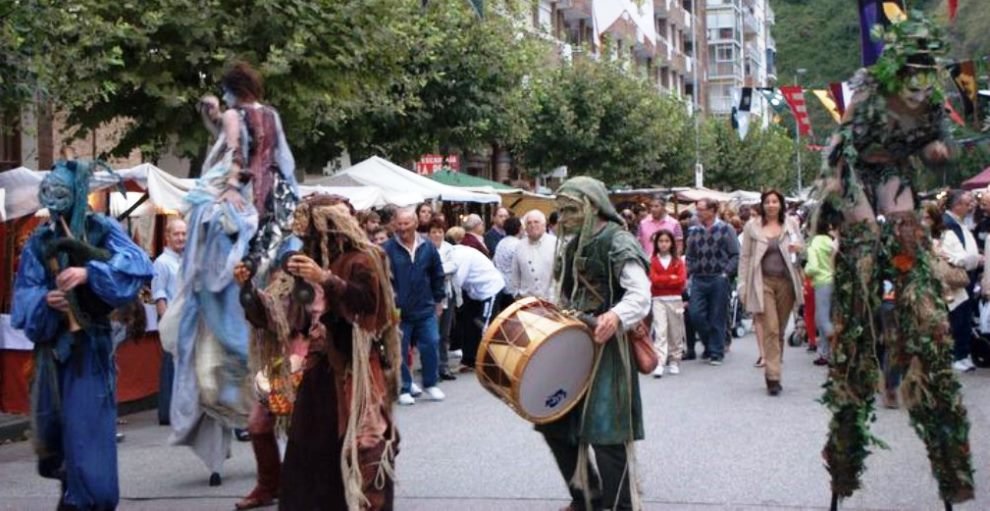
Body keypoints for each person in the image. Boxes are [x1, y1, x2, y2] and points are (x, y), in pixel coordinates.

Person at [816, 12, 973, 505]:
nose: (919, 79)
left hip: (894, 178)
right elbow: (842, 146)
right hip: (854, 170)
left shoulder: (930, 107)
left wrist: (938, 153)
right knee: (861, 268)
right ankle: (845, 446)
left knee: (911, 259)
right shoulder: (868, 93)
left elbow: (935, 149)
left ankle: (949, 462)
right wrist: (844, 201)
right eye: (912, 67)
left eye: (926, 68)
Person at [165, 61, 300, 489]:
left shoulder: (234, 115)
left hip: (237, 217)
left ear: (232, 90)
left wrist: (230, 185)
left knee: (216, 314)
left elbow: (237, 152)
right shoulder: (273, 115)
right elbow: (277, 164)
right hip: (270, 219)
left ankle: (235, 408)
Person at [235, 195, 401, 510]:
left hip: (357, 368)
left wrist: (325, 278)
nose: (311, 239)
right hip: (316, 369)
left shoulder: (364, 259)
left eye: (316, 232)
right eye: (309, 233)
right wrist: (247, 292)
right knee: (308, 451)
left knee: (367, 445)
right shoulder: (300, 263)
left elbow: (370, 307)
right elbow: (277, 317)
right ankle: (276, 488)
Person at [12, 160, 154, 510]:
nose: (54, 201)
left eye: (61, 192)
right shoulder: (39, 240)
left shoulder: (101, 228)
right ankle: (72, 493)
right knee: (56, 441)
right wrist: (46, 300)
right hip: (52, 354)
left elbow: (139, 264)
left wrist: (89, 272)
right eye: (50, 193)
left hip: (89, 354)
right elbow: (24, 295)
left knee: (87, 440)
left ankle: (85, 501)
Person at [538, 177, 651, 511]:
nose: (565, 217)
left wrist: (615, 317)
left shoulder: (618, 240)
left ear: (593, 206)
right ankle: (587, 497)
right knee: (552, 420)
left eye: (572, 209)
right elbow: (564, 293)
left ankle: (621, 506)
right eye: (562, 210)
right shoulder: (572, 244)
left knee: (607, 434)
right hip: (573, 345)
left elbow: (640, 293)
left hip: (608, 350)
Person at [738, 190, 805, 395]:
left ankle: (774, 367)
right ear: (762, 205)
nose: (771, 205)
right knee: (771, 328)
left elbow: (802, 247)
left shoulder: (791, 224)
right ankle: (773, 376)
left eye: (775, 201)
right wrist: (742, 284)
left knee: (780, 330)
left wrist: (798, 249)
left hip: (786, 281)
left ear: (781, 205)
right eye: (767, 201)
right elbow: (746, 257)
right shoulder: (752, 227)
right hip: (762, 281)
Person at [383, 208, 446, 405]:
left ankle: (430, 383)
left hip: (425, 306)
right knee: (400, 350)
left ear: (415, 224)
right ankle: (404, 387)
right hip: (398, 309)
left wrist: (439, 301)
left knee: (432, 342)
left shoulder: (428, 246)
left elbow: (437, 275)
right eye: (399, 224)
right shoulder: (387, 249)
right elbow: (384, 280)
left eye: (406, 224)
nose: (402, 228)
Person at [684, 198, 739, 366]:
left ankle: (716, 352)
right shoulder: (694, 231)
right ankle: (711, 343)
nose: (697, 213)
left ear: (712, 210)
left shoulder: (726, 229)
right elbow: (690, 255)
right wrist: (690, 269)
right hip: (699, 278)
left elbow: (735, 254)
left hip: (718, 278)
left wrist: (726, 273)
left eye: (701, 209)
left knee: (717, 315)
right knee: (695, 314)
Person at [446, 230, 505, 373]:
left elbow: (457, 281)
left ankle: (492, 362)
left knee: (484, 325)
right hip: (474, 292)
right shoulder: (452, 255)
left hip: (490, 289)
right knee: (468, 324)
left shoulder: (460, 255)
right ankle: (469, 359)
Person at [940, 190, 981, 372]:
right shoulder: (947, 225)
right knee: (957, 317)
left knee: (964, 317)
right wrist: (968, 259)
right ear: (957, 206)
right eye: (966, 203)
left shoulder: (958, 223)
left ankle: (962, 354)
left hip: (967, 277)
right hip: (956, 279)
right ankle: (956, 355)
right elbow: (948, 252)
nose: (970, 206)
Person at [151, 217, 187, 425]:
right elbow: (159, 294)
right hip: (172, 319)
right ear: (167, 236)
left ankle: (181, 410)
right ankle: (166, 413)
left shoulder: (185, 260)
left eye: (184, 234)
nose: (181, 238)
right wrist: (166, 323)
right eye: (176, 234)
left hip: (186, 319)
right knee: (170, 366)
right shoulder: (162, 263)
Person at [648, 229, 687, 378]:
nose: (663, 244)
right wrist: (670, 278)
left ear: (671, 243)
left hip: (675, 298)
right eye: (661, 241)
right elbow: (653, 279)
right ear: (656, 244)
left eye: (666, 241)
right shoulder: (652, 261)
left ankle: (675, 360)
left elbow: (681, 281)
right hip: (658, 299)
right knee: (660, 331)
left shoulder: (678, 261)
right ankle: (660, 361)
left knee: (675, 331)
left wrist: (663, 279)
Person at [804, 212, 839, 367]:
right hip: (835, 280)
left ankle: (837, 347)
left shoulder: (815, 243)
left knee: (822, 319)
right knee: (830, 316)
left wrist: (807, 271)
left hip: (821, 282)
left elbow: (813, 267)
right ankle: (825, 353)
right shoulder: (831, 241)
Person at [428, 218, 458, 381]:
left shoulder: (450, 248)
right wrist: (440, 270)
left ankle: (443, 366)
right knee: (432, 333)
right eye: (434, 231)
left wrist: (437, 270)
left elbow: (453, 266)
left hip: (448, 293)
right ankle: (432, 367)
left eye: (440, 231)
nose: (437, 235)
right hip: (431, 295)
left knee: (444, 332)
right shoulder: (425, 249)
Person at [511, 210, 557, 301]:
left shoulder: (555, 244)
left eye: (536, 222)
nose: (532, 225)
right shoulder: (519, 246)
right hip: (526, 302)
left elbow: (560, 276)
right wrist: (516, 294)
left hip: (551, 302)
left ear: (544, 225)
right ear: (525, 227)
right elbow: (515, 274)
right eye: (529, 223)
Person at [492, 216, 522, 309]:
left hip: (501, 285)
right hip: (512, 288)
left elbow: (494, 261)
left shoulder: (501, 243)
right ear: (519, 229)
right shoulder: (518, 245)